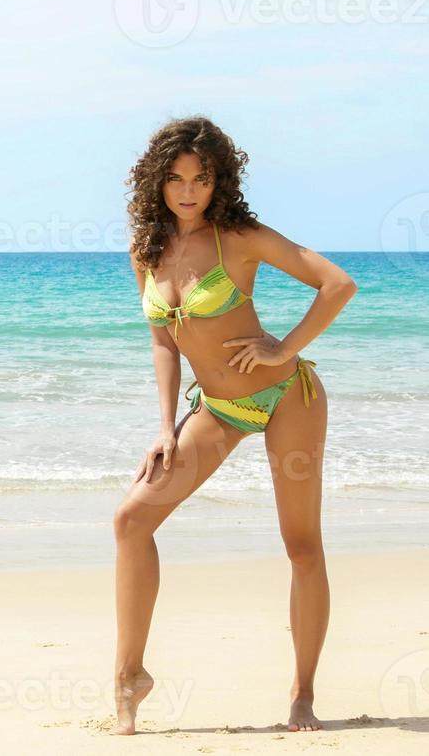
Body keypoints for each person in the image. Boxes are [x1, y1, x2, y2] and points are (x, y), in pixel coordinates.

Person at [112, 116, 357, 735]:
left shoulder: (240, 237)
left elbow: (337, 284)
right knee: (132, 519)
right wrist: (166, 425)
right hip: (217, 410)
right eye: (175, 178)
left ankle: (302, 695)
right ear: (157, 182)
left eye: (201, 177)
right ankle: (128, 675)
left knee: (301, 545)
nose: (188, 191)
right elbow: (164, 343)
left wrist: (284, 350)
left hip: (285, 397)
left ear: (219, 181)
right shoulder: (147, 248)